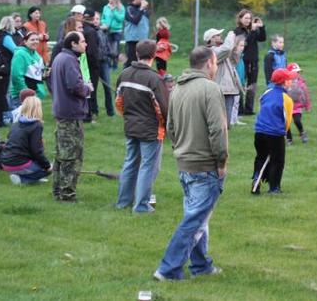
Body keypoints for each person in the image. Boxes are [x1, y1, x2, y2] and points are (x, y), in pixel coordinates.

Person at [154, 46, 228, 281]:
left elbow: (171, 126)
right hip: (205, 165)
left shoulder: (178, 87)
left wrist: (181, 149)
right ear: (209, 63)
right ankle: (168, 269)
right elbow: (218, 129)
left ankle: (201, 265)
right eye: (216, 63)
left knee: (198, 216)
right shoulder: (210, 89)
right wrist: (221, 160)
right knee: (195, 220)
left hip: (184, 163)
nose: (216, 67)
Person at [115, 40, 169, 213]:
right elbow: (163, 108)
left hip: (130, 126)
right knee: (148, 166)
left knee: (130, 162)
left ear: (137, 54)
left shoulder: (124, 74)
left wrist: (128, 117)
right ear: (154, 55)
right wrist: (167, 126)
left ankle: (123, 202)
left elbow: (119, 101)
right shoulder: (155, 79)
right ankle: (141, 206)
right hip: (151, 130)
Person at [49, 31, 92, 202]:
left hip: (62, 111)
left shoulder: (60, 57)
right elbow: (75, 86)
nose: (85, 44)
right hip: (70, 114)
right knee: (71, 156)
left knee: (61, 155)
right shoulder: (69, 60)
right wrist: (88, 88)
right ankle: (67, 194)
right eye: (83, 41)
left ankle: (57, 190)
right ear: (73, 44)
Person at [252, 68, 296, 194]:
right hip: (275, 133)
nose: (292, 81)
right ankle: (274, 188)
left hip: (259, 132)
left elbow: (261, 108)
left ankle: (256, 182)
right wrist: (284, 133)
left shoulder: (266, 93)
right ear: (284, 82)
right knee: (277, 160)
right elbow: (287, 119)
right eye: (289, 79)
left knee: (261, 157)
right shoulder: (286, 99)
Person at [1, 96, 52, 185]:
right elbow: (36, 151)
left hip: (5, 161)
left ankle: (22, 174)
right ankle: (23, 179)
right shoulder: (36, 125)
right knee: (48, 169)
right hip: (19, 162)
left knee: (40, 163)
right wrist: (47, 166)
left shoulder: (16, 123)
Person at [204, 28, 240, 126]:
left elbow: (235, 61)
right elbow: (227, 48)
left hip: (229, 89)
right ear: (211, 39)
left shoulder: (221, 50)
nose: (221, 37)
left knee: (226, 122)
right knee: (217, 121)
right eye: (218, 35)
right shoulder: (210, 51)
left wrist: (235, 48)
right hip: (219, 90)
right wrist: (231, 35)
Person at [234, 9, 266, 115]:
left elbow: (262, 38)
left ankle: (249, 109)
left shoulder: (252, 30)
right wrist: (252, 31)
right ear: (240, 19)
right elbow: (245, 43)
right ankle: (240, 109)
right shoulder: (238, 31)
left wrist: (262, 27)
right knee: (240, 84)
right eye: (246, 18)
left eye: (249, 18)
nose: (248, 20)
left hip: (254, 62)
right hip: (242, 62)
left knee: (252, 84)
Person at [9, 32, 47, 109]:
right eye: (32, 40)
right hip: (21, 96)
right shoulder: (20, 54)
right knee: (23, 116)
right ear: (25, 42)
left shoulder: (35, 53)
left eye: (37, 39)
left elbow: (38, 72)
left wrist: (45, 73)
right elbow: (16, 76)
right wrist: (26, 93)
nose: (35, 41)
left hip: (34, 94)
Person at [81, 9, 101, 121]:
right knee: (91, 89)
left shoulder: (81, 29)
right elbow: (92, 51)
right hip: (91, 66)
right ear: (93, 18)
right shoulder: (92, 32)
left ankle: (87, 112)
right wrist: (96, 65)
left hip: (82, 64)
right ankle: (89, 113)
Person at [285, 62, 311, 143]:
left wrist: (307, 105)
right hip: (286, 107)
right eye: (295, 72)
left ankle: (302, 132)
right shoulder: (285, 83)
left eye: (298, 72)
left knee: (297, 121)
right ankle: (289, 138)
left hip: (297, 107)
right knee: (286, 123)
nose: (297, 74)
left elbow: (306, 94)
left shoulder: (301, 83)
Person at [95, 15, 115, 117]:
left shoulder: (103, 32)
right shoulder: (90, 32)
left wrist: (114, 55)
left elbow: (107, 46)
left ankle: (110, 111)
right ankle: (94, 111)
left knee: (107, 87)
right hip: (94, 63)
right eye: (94, 19)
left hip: (104, 62)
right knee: (92, 89)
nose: (96, 21)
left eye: (98, 19)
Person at [124, 0, 150, 68]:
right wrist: (141, 9)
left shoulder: (144, 9)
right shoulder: (129, 8)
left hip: (143, 40)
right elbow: (135, 21)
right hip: (132, 41)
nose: (143, 2)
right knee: (131, 63)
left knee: (142, 63)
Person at [101, 0, 125, 69]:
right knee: (107, 47)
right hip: (107, 30)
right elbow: (102, 18)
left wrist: (114, 11)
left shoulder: (121, 8)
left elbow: (121, 19)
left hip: (117, 31)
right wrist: (104, 23)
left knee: (115, 48)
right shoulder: (105, 7)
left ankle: (115, 65)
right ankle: (108, 64)